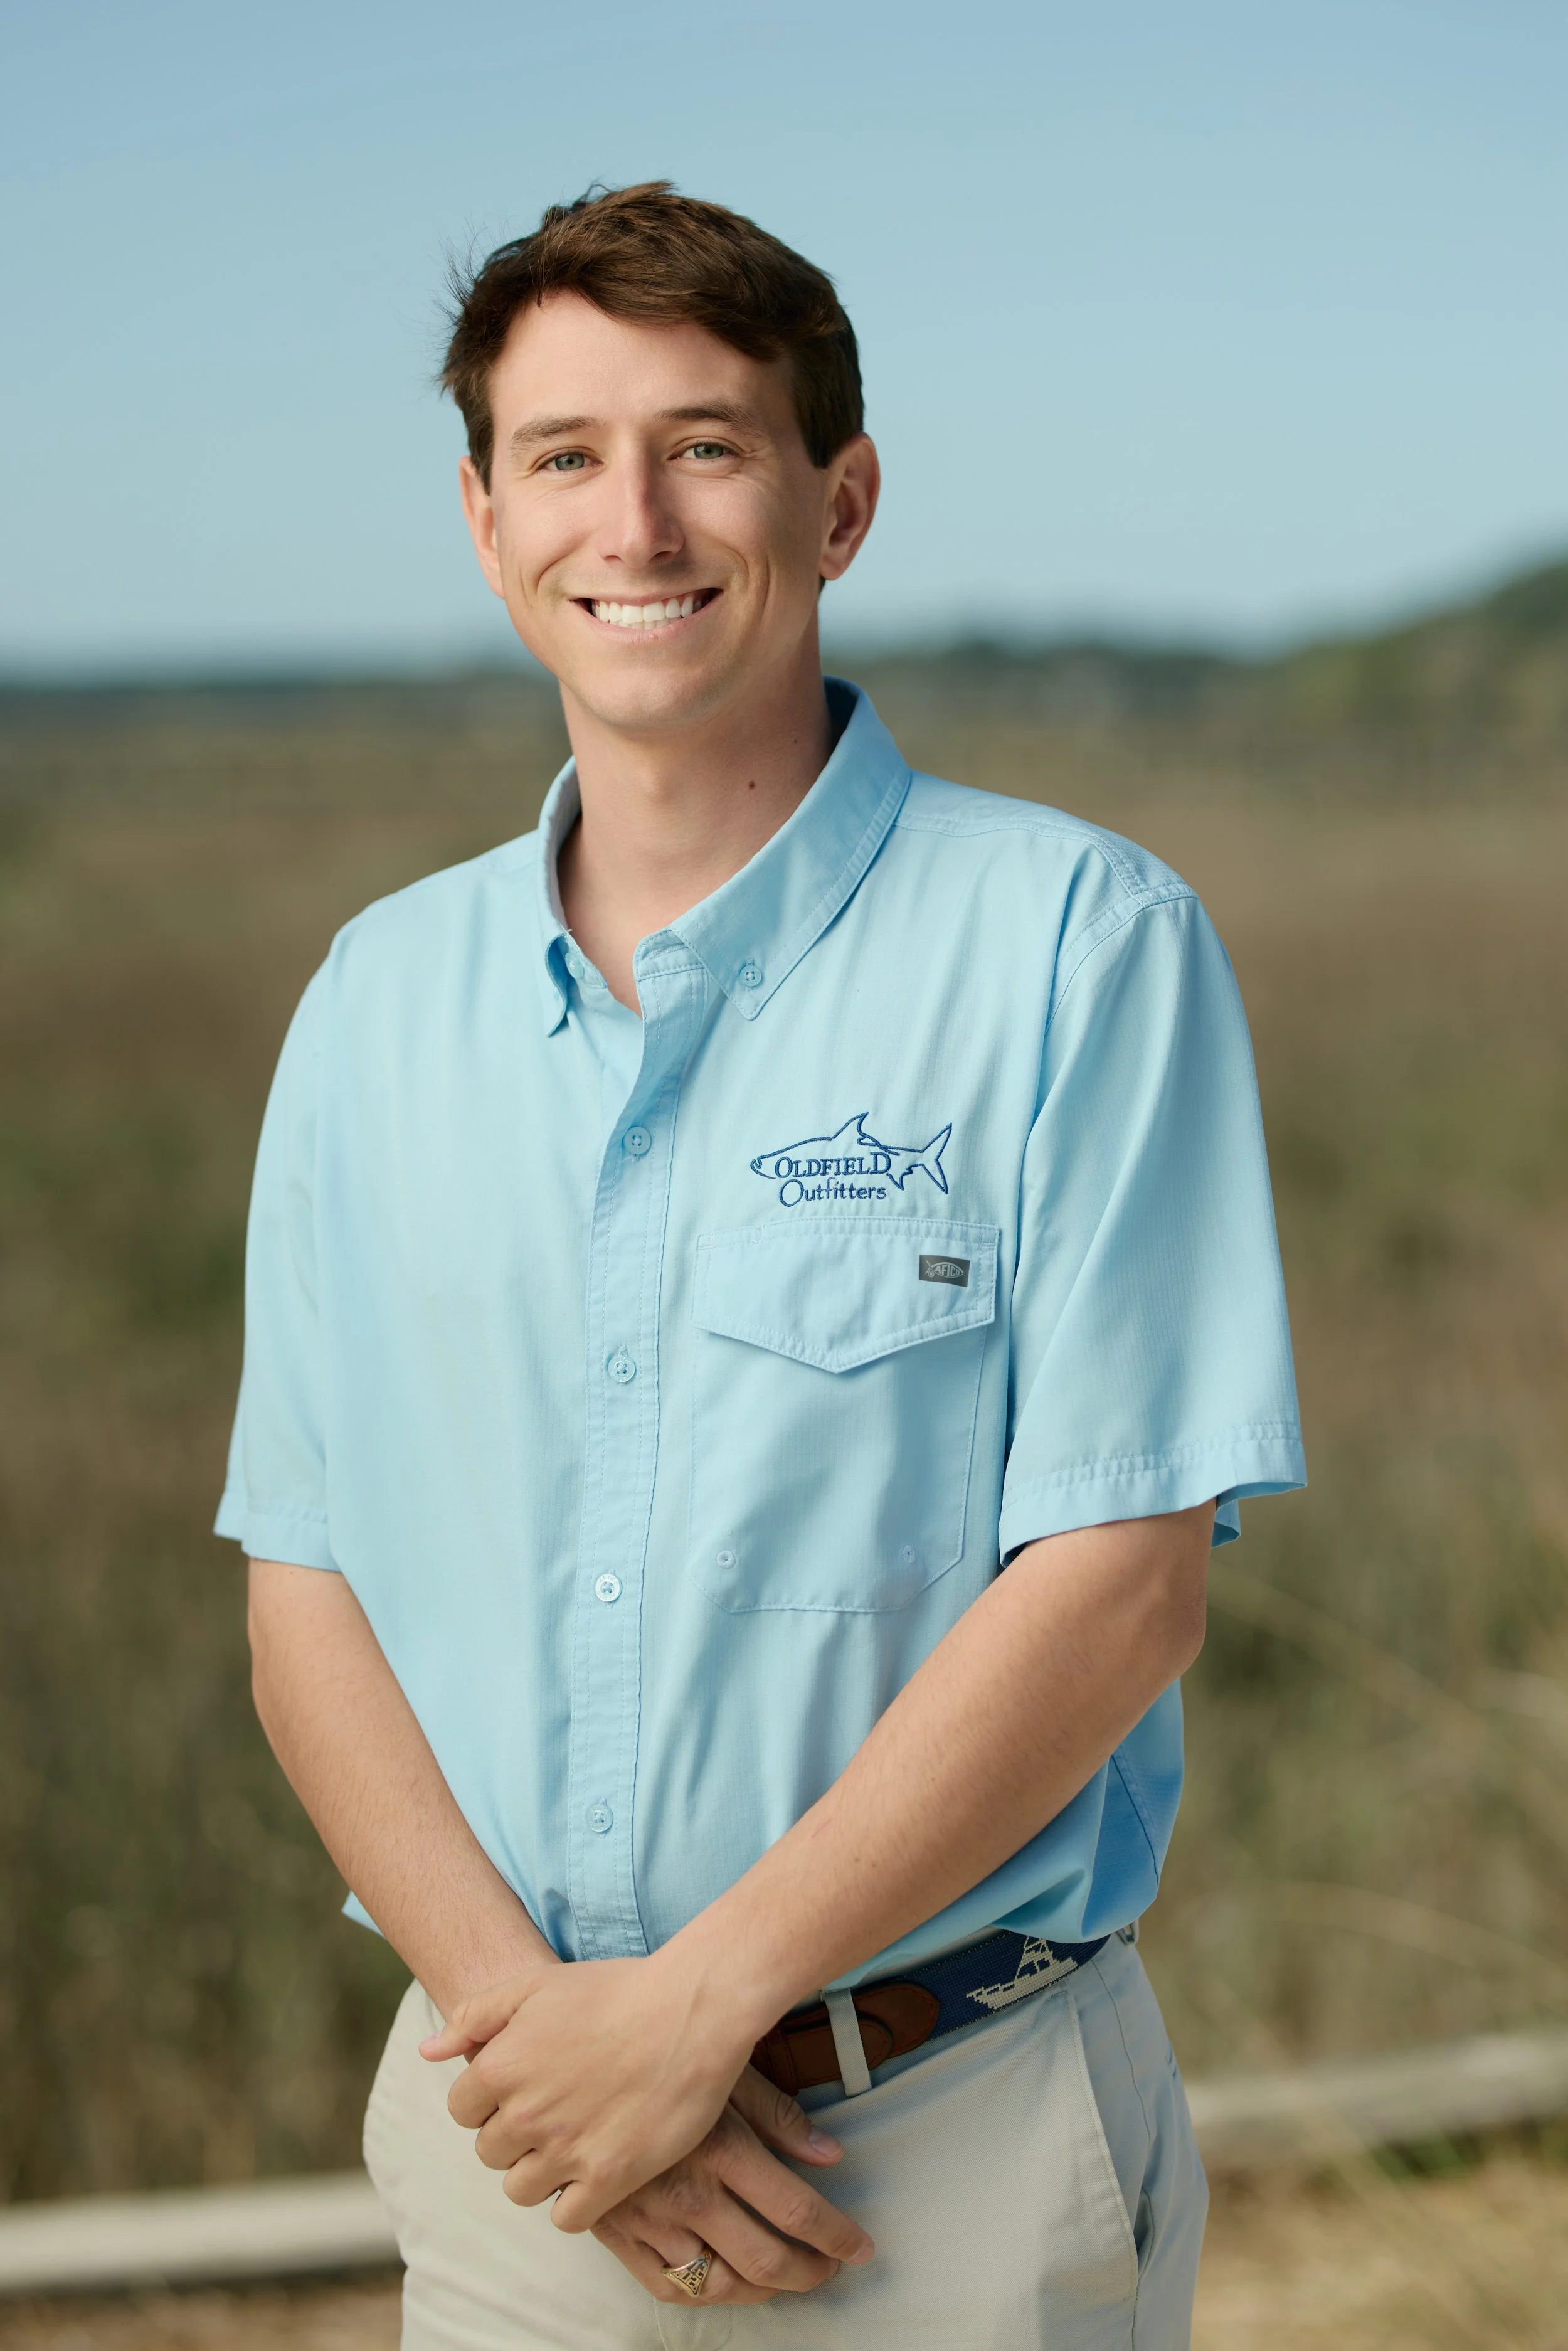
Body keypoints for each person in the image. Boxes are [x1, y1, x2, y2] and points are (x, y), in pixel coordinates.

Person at [221, 181, 1305, 2350]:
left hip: (948, 2150)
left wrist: (696, 2009)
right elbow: (304, 1582)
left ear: (841, 498)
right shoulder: (371, 1002)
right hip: (517, 2144)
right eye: (563, 455)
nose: (632, 519)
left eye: (705, 444)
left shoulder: (1080, 946)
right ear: (486, 521)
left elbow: (1122, 1580)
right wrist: (560, 2046)